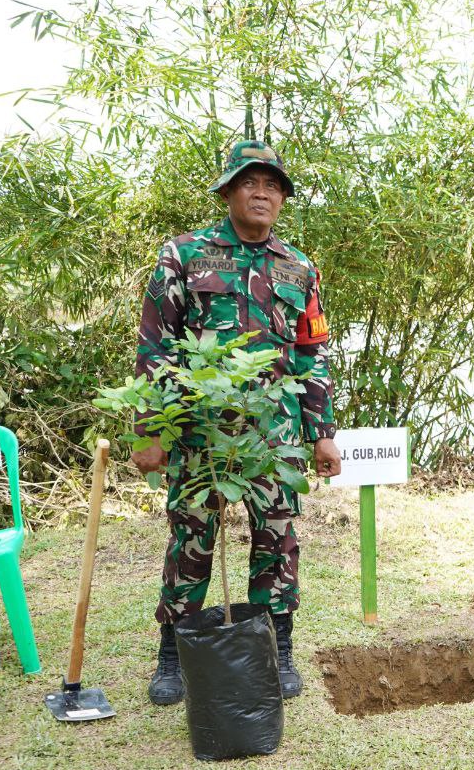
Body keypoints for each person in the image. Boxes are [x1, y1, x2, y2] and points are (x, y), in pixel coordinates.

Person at [133, 140, 343, 706]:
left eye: (273, 185)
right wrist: (150, 430)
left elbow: (310, 353)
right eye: (250, 182)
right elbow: (157, 346)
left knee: (277, 536)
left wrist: (321, 431)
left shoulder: (298, 267)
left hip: (273, 434)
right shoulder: (185, 255)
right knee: (191, 536)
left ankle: (280, 646)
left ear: (282, 199)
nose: (262, 192)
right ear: (227, 191)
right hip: (201, 430)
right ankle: (173, 654)